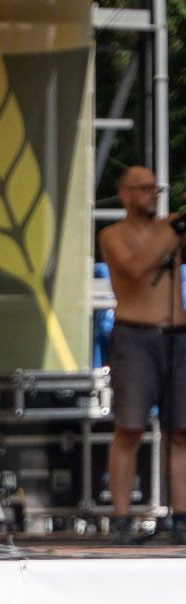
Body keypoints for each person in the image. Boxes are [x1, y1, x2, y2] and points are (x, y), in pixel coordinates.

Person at [99, 165, 186, 536]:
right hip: (134, 337)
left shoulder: (170, 229)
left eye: (155, 187)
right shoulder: (113, 234)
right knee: (130, 429)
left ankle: (181, 515)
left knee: (180, 431)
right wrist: (171, 232)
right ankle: (121, 517)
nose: (153, 193)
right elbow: (134, 269)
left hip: (177, 337)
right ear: (126, 195)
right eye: (144, 188)